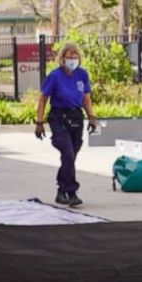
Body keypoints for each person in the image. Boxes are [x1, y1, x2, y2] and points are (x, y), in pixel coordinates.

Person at [35, 42, 99, 207]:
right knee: (68, 153)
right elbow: (43, 99)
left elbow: (86, 98)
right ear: (62, 58)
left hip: (76, 115)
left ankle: (61, 190)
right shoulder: (55, 76)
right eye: (69, 56)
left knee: (71, 156)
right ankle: (71, 191)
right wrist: (39, 122)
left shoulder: (82, 75)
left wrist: (92, 117)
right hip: (59, 116)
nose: (72, 59)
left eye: (75, 56)